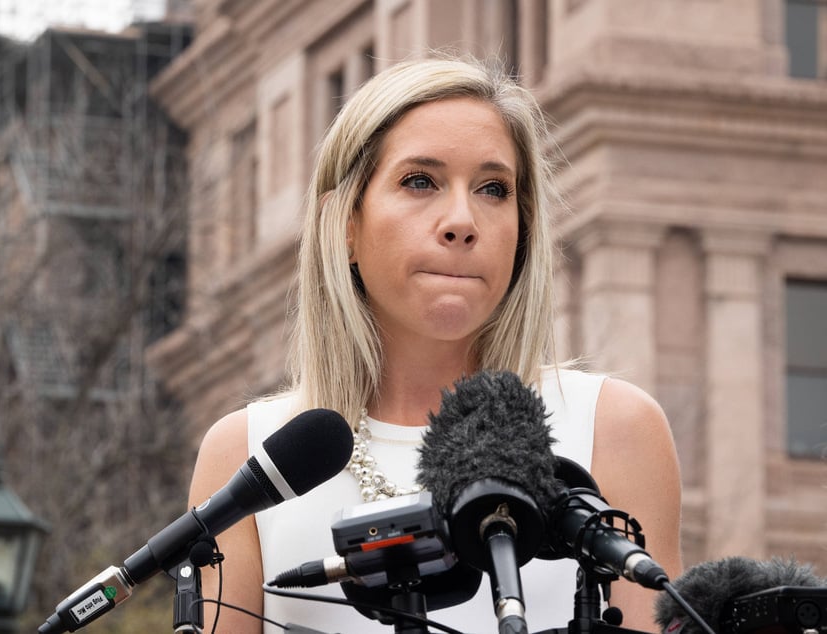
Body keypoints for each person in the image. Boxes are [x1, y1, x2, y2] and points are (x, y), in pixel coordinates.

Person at [188, 54, 683, 634]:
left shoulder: (614, 428)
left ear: (522, 233)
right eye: (420, 181)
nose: (461, 220)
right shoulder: (248, 454)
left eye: (493, 189)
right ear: (345, 224)